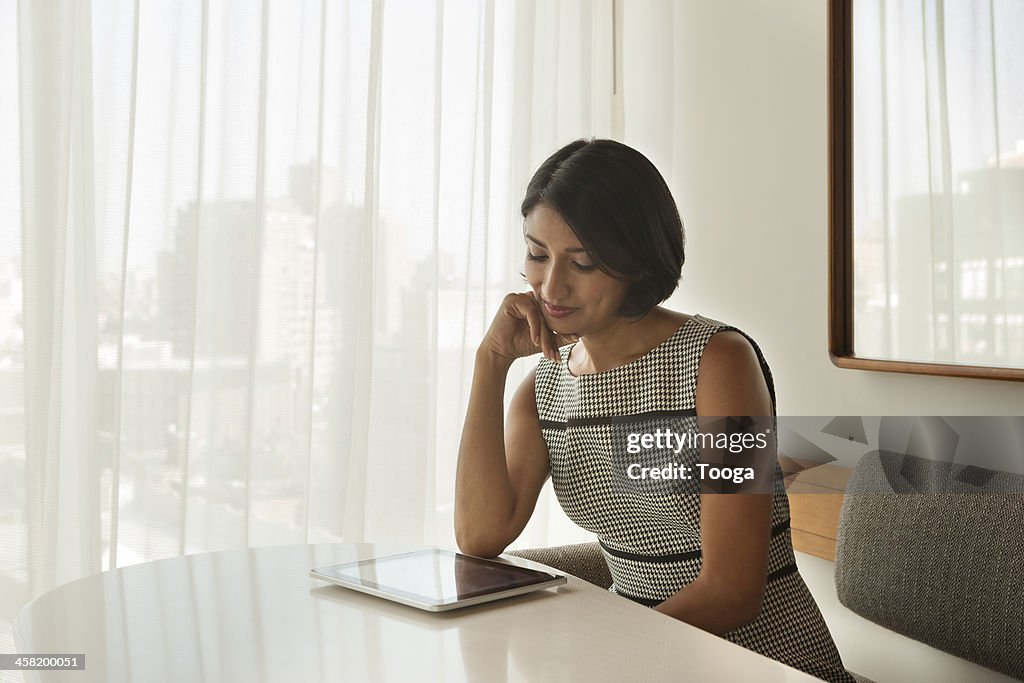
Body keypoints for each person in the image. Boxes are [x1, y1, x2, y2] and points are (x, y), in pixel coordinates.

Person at [454, 138, 854, 682]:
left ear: (635, 261)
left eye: (585, 262)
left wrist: (606, 662)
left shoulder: (717, 363)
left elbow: (732, 591)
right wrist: (490, 361)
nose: (552, 287)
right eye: (537, 254)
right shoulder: (543, 389)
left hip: (762, 663)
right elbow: (481, 536)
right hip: (645, 659)